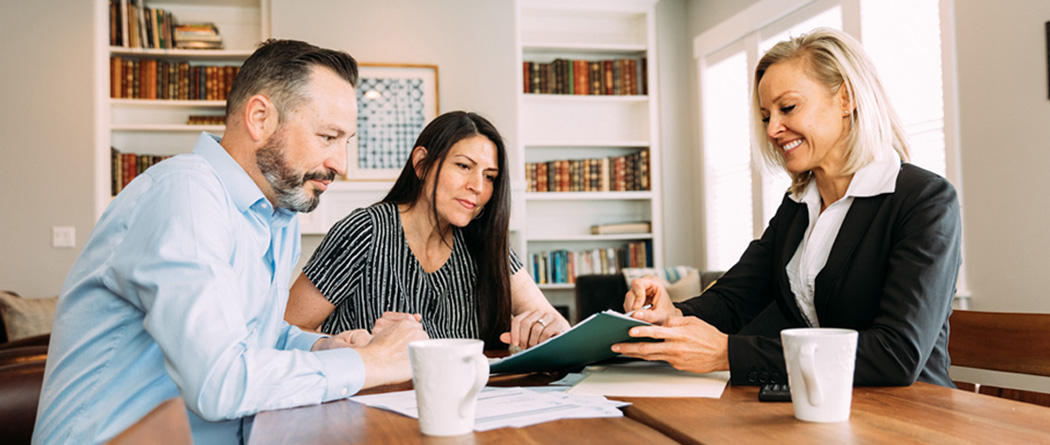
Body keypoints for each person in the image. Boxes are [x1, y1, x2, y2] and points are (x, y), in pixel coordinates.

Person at [33, 39, 428, 444]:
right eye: (328, 137)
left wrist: (331, 347)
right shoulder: (184, 194)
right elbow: (220, 383)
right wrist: (373, 362)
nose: (340, 164)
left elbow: (258, 334)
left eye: (346, 141)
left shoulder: (278, 211)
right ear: (259, 117)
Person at [618, 28, 962, 388]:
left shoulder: (925, 200)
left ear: (846, 98)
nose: (772, 129)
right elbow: (735, 298)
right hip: (826, 406)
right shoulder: (799, 205)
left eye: (788, 108)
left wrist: (728, 354)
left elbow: (896, 354)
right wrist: (672, 313)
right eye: (767, 116)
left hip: (914, 416)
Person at [285, 111, 569, 350]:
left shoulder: (485, 242)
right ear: (422, 164)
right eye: (463, 166)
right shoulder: (365, 231)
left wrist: (550, 327)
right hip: (367, 405)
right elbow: (287, 330)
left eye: (489, 177)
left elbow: (554, 324)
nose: (478, 187)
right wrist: (360, 346)